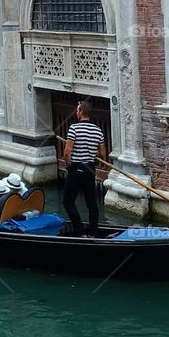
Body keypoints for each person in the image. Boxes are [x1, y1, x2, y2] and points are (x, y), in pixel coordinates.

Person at [61, 99, 105, 236]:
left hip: (77, 168)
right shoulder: (98, 131)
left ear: (81, 112)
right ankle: (92, 232)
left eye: (77, 110)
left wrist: (68, 165)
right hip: (90, 169)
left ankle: (80, 231)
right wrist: (91, 151)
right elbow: (102, 154)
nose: (76, 112)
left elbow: (67, 152)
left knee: (68, 202)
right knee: (91, 203)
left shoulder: (74, 128)